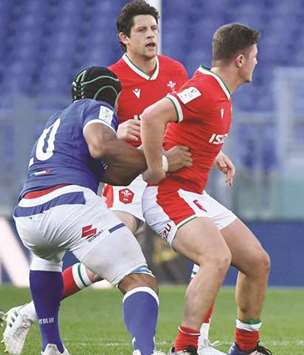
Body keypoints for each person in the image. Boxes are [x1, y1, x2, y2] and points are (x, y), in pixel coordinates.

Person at [2, 2, 223, 353]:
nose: (151, 35)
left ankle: (200, 340)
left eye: (154, 28)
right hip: (129, 173)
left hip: (163, 170)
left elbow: (190, 119)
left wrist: (215, 151)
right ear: (124, 38)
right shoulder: (108, 81)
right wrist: (123, 131)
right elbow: (99, 139)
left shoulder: (174, 70)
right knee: (115, 257)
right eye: (142, 30)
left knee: (202, 245)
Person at [7, 66, 191, 355]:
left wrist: (150, 163)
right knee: (139, 279)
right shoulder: (96, 108)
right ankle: (145, 352)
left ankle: (51, 346)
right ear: (111, 96)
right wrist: (160, 160)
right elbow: (101, 146)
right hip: (68, 204)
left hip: (28, 214)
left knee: (47, 259)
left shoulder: (57, 120)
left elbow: (115, 176)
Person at [140, 23, 271, 355]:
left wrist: (214, 156)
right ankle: (184, 347)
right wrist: (157, 168)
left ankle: (246, 347)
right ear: (240, 59)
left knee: (257, 261)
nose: (258, 61)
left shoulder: (219, 94)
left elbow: (189, 132)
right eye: (255, 56)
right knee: (216, 257)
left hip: (194, 195)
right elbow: (152, 117)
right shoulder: (205, 90)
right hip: (167, 194)